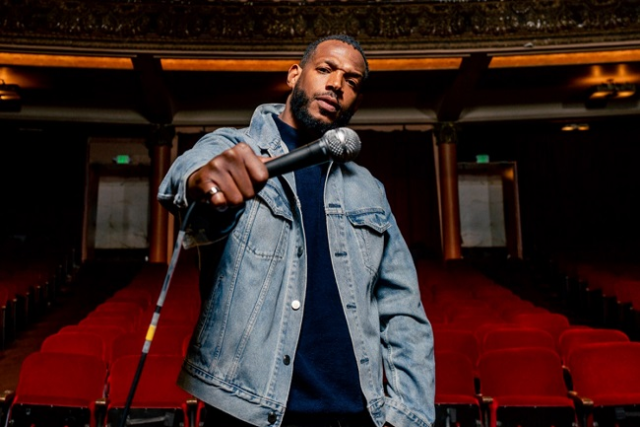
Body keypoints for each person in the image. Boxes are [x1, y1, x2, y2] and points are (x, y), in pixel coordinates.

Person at [158, 34, 435, 427]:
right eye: (325, 69)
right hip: (247, 411)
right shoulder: (234, 147)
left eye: (352, 81)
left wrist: (407, 416)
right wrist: (203, 180)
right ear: (294, 75)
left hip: (354, 415)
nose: (337, 84)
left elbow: (402, 309)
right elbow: (186, 177)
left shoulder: (369, 188)